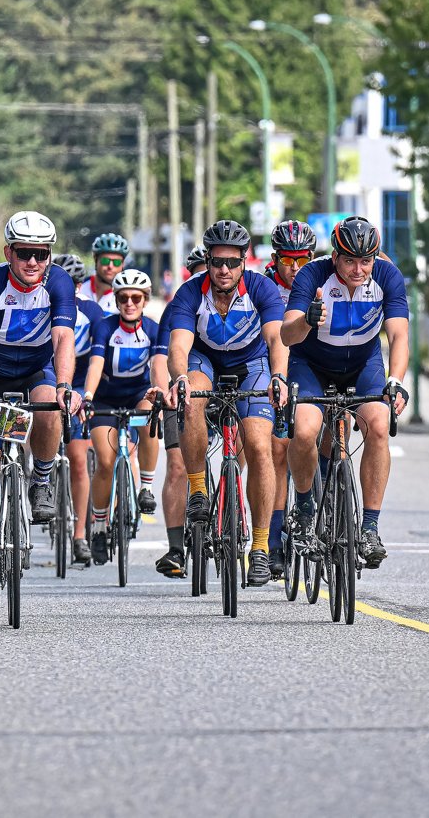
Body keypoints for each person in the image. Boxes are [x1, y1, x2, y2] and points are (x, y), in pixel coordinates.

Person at [0, 211, 81, 605]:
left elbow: (62, 340)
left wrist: (64, 386)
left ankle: (40, 480)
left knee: (47, 403)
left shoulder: (58, 282)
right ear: (8, 252)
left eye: (41, 255)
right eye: (24, 253)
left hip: (35, 373)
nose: (33, 263)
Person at [163, 220, 288, 586]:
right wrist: (180, 378)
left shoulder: (261, 289)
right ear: (207, 259)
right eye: (217, 262)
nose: (224, 270)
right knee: (190, 399)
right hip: (205, 362)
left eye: (233, 263)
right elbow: (179, 347)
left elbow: (276, 339)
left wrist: (278, 377)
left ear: (244, 262)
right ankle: (199, 490)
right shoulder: (189, 293)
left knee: (259, 446)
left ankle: (262, 549)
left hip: (252, 364)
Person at [280, 217, 410, 570]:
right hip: (312, 365)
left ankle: (369, 528)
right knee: (305, 430)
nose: (358, 269)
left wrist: (395, 380)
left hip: (362, 364)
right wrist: (307, 319)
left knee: (379, 425)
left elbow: (399, 335)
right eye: (349, 260)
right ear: (335, 255)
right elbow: (287, 337)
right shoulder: (312, 276)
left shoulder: (387, 276)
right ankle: (305, 507)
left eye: (365, 261)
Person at [83, 269, 163, 564]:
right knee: (105, 462)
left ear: (145, 300)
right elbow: (95, 364)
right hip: (105, 397)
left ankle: (146, 487)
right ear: (116, 301)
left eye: (136, 298)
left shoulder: (154, 329)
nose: (130, 303)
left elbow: (158, 366)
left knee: (149, 416)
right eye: (124, 298)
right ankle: (100, 528)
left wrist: (158, 390)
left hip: (139, 395)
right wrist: (88, 396)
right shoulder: (105, 328)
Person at [262, 220, 316, 580]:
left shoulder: (323, 274)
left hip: (317, 360)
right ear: (274, 258)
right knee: (278, 447)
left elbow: (379, 264)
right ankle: (277, 541)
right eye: (287, 260)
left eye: (301, 260)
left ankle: (314, 502)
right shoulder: (263, 283)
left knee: (323, 438)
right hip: (278, 362)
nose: (294, 269)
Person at [150, 247, 209, 578]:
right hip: (182, 392)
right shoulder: (178, 308)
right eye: (200, 272)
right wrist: (165, 394)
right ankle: (176, 549)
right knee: (176, 466)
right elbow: (160, 360)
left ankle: (232, 507)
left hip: (222, 388)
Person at [53, 253, 107, 566]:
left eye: (74, 282)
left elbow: (98, 358)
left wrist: (86, 394)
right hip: (43, 377)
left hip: (78, 382)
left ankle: (79, 535)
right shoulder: (34, 303)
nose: (68, 288)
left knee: (77, 459)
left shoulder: (91, 310)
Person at [78, 232, 129, 315]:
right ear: (95, 260)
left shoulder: (127, 299)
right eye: (105, 261)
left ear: (122, 264)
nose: (110, 266)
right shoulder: (78, 289)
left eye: (116, 262)